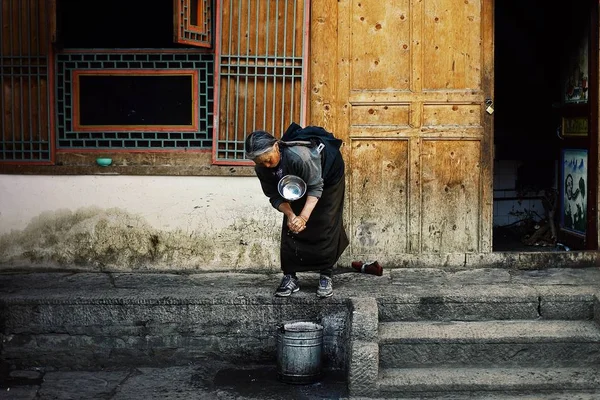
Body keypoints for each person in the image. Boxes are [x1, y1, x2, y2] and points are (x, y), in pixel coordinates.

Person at [245, 122, 349, 298]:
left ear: (276, 147)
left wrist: (304, 217)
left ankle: (326, 274)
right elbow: (275, 197)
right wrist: (292, 216)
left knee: (326, 219)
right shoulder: (262, 169)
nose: (267, 165)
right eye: (261, 163)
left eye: (269, 159)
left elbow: (315, 188)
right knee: (291, 226)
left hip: (328, 177)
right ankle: (290, 276)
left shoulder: (300, 156)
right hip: (293, 183)